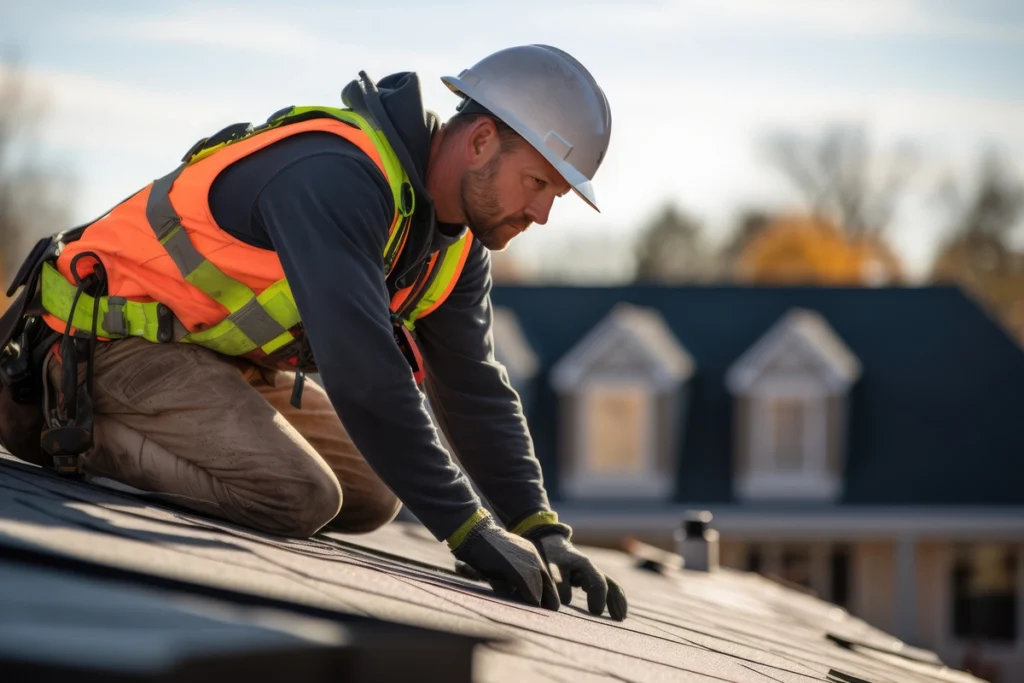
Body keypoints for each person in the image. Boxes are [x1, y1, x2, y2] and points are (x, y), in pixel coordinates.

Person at [0, 45, 626, 620]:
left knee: (373, 493)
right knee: (295, 494)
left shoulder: (456, 249)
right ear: (482, 140)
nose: (543, 213)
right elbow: (364, 372)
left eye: (558, 196)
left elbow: (474, 390)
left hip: (206, 357)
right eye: (539, 183)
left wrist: (539, 529)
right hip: (98, 342)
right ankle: (53, 424)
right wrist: (471, 529)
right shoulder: (337, 173)